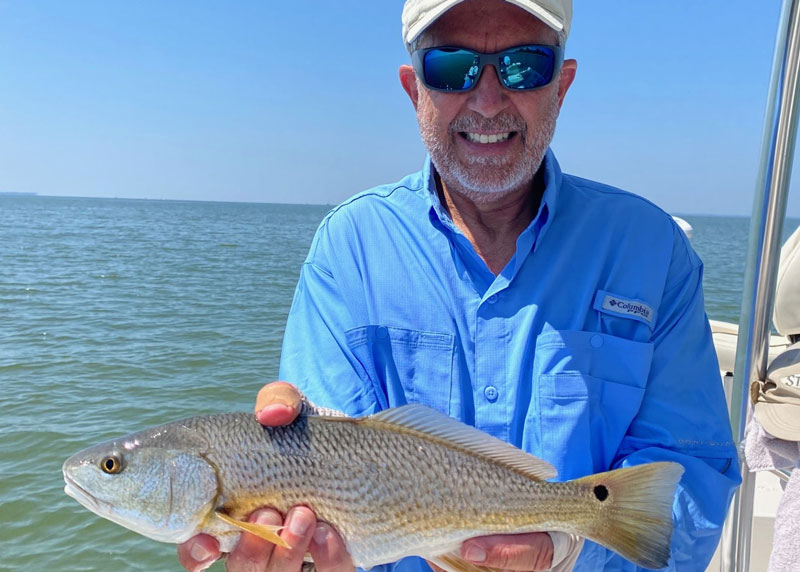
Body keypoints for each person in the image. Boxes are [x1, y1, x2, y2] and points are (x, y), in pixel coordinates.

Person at [179, 0, 741, 570]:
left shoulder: (651, 249)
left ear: (562, 84)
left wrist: (568, 548)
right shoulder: (348, 248)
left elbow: (692, 477)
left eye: (525, 65)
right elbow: (319, 467)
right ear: (414, 88)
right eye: (452, 67)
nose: (489, 100)